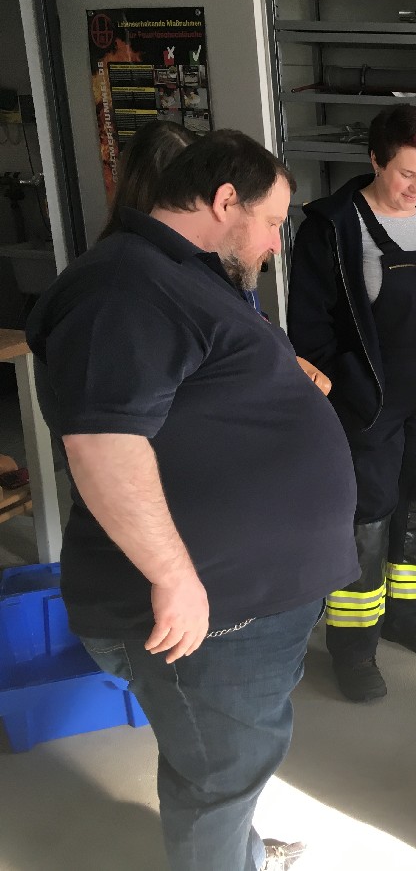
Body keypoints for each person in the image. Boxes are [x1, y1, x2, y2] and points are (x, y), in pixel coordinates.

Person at [25, 129, 358, 871]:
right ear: (225, 200)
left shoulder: (180, 276)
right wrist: (174, 577)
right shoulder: (122, 288)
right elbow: (103, 443)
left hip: (247, 600)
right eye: (272, 222)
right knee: (219, 775)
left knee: (234, 762)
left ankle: (237, 851)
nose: (275, 244)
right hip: (211, 610)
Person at [287, 104, 416, 702]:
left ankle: (409, 614)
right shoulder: (332, 227)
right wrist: (350, 386)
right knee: (366, 516)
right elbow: (310, 328)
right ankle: (354, 645)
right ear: (375, 160)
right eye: (405, 174)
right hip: (366, 400)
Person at [97, 121, 329, 394]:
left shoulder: (222, 261)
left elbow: (250, 325)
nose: (276, 246)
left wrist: (290, 362)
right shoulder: (134, 290)